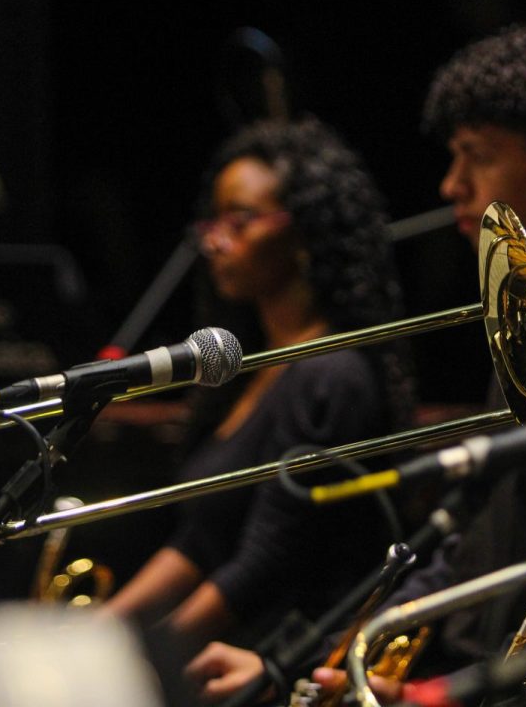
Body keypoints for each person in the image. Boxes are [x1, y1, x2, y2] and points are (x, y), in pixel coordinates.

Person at [186, 23, 526, 703]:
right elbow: (463, 546)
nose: (452, 184)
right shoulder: (524, 322)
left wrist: (447, 694)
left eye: (476, 157)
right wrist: (299, 666)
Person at [103, 118, 414, 656]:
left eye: (240, 220)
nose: (215, 241)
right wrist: (99, 630)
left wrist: (137, 659)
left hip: (286, 663)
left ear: (304, 232)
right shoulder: (245, 366)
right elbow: (202, 542)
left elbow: (264, 563)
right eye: (214, 221)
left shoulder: (331, 373)